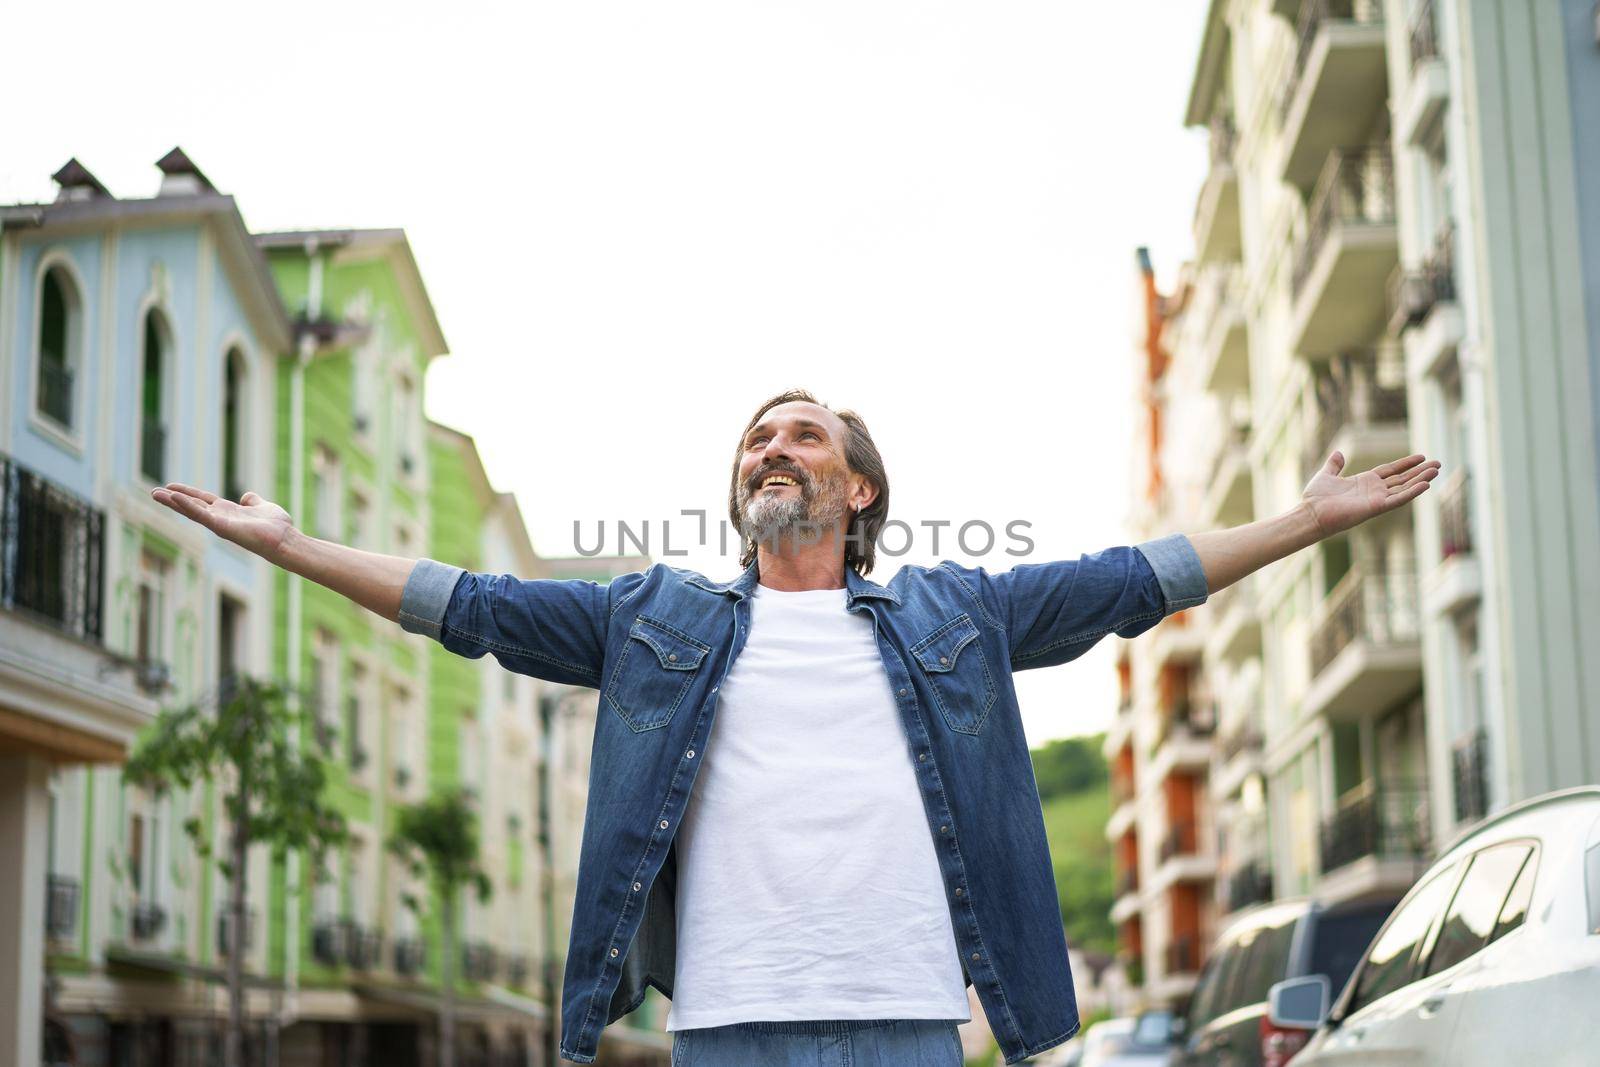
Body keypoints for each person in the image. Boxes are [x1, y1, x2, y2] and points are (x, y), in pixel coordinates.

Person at [152, 388, 1439, 1066]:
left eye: (803, 432)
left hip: (906, 1019)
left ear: (856, 485)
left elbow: (1129, 579)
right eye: (756, 438)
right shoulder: (655, 617)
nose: (774, 446)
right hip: (725, 1021)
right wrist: (295, 546)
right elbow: (470, 606)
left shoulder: (957, 611)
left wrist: (1307, 521)